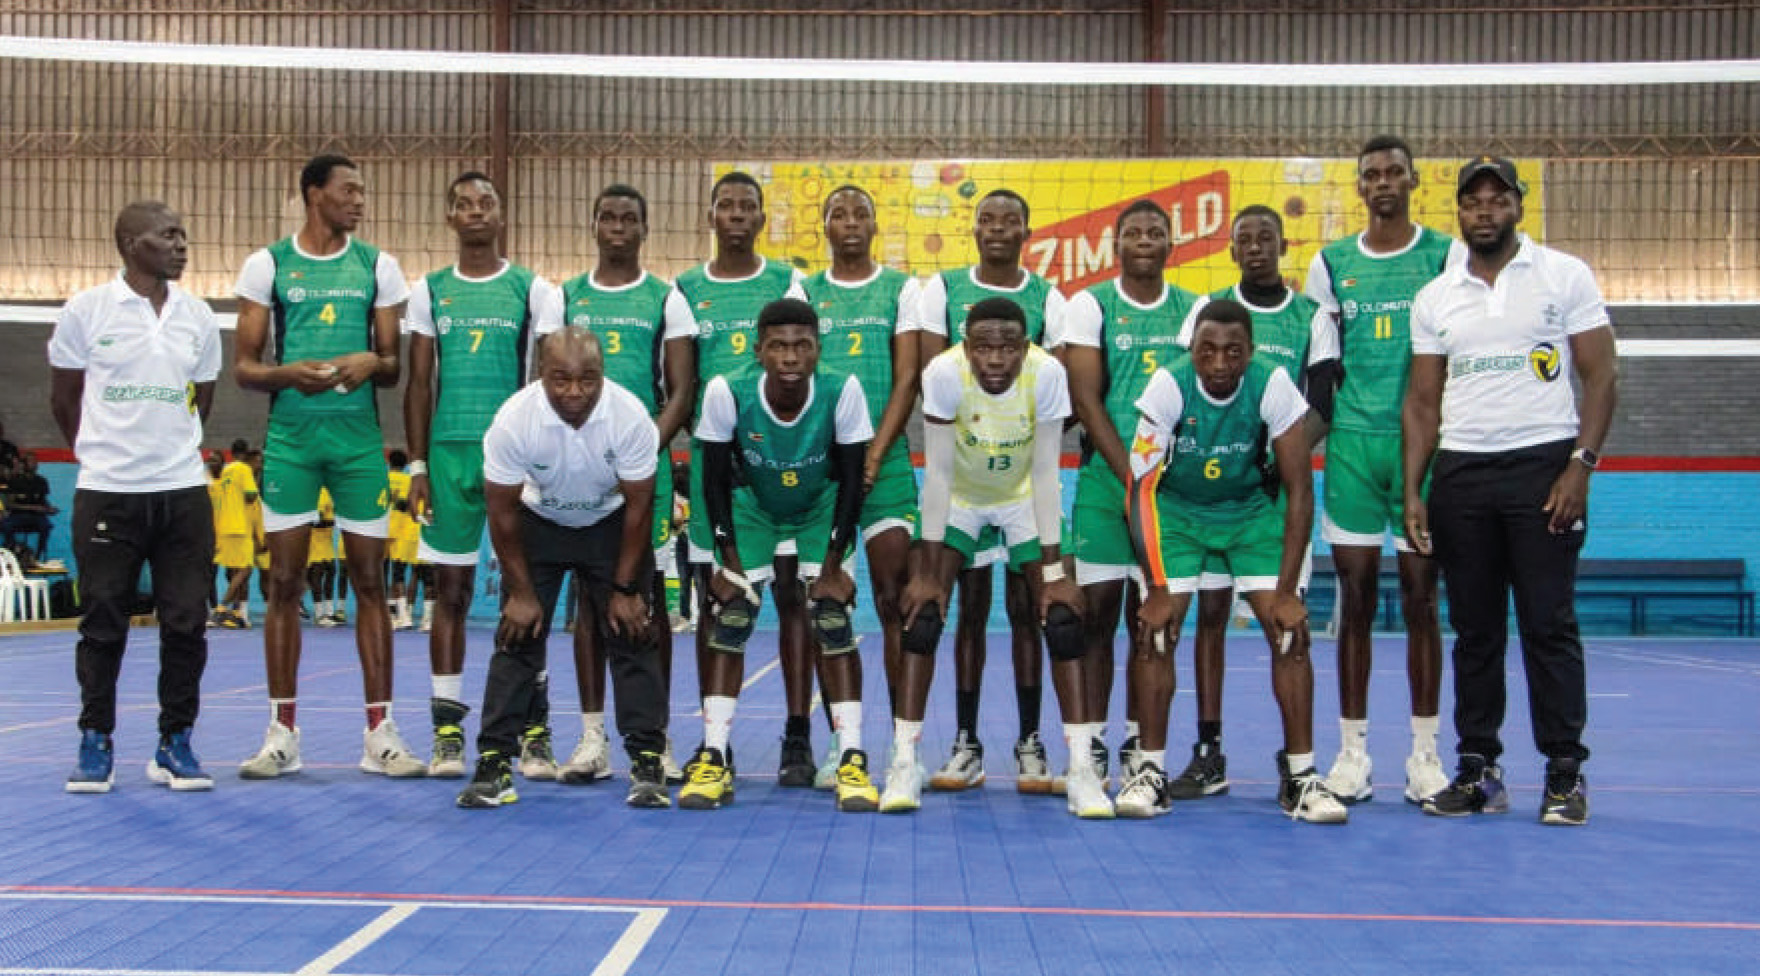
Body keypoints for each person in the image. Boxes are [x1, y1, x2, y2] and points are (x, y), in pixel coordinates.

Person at [1403, 156, 1617, 826]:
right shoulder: (1435, 296)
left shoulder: (1563, 275)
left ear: (1518, 207)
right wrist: (1413, 489)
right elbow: (1421, 402)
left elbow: (1601, 374)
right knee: (1475, 631)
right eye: (1473, 201)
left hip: (1543, 467)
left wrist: (1580, 465)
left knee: (1548, 625)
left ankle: (1564, 774)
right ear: (1459, 212)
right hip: (1462, 472)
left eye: (1498, 199)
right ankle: (1478, 770)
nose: (1485, 210)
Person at [232, 153, 423, 780]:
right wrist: (288, 374)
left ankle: (380, 734)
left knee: (370, 583)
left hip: (358, 444)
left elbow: (392, 367)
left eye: (362, 191)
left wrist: (371, 360)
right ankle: (282, 734)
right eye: (349, 190)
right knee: (284, 584)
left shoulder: (378, 265)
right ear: (314, 194)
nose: (359, 200)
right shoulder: (267, 264)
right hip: (291, 440)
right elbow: (245, 368)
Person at [1121, 299, 1346, 823]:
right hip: (1177, 511)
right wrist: (1157, 588)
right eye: (1207, 351)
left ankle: (1301, 777)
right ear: (1192, 349)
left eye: (1233, 352)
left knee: (1289, 633)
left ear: (1250, 352)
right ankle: (1150, 771)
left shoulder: (1272, 384)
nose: (1219, 363)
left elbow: (1299, 490)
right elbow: (1140, 490)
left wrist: (1287, 593)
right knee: (1156, 631)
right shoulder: (1168, 386)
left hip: (1249, 512)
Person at [888, 297, 1109, 818]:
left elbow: (1047, 473)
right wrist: (928, 573)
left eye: (1008, 348)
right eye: (983, 347)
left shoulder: (1047, 374)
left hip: (1022, 497)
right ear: (966, 347)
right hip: (961, 498)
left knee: (1063, 620)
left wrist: (1053, 574)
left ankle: (1081, 772)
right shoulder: (943, 374)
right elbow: (938, 473)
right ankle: (903, 762)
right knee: (922, 617)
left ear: (1025, 348)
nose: (995, 359)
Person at [1304, 134, 1458, 805]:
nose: (1383, 182)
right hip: (1352, 448)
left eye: (1394, 172)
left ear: (1413, 181)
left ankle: (1425, 754)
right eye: (1372, 174)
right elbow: (1321, 372)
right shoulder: (1331, 263)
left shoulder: (1444, 256)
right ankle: (1353, 753)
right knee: (1355, 600)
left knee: (1422, 599)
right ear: (1360, 186)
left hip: (1422, 449)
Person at [456, 327, 670, 810]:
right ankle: (493, 764)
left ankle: (647, 761)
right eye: (561, 379)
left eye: (587, 379)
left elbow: (640, 506)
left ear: (602, 375)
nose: (575, 391)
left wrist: (625, 589)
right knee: (517, 637)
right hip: (539, 523)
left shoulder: (631, 417)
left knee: (633, 633)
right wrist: (520, 592)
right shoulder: (513, 421)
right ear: (540, 374)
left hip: (611, 523)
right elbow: (501, 511)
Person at [49, 200, 222, 793]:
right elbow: (64, 399)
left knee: (186, 623)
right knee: (102, 622)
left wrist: (169, 451)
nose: (181, 245)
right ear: (130, 244)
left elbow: (201, 399)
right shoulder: (86, 310)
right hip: (108, 492)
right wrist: (103, 455)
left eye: (183, 235)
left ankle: (176, 742)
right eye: (168, 235)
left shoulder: (198, 316)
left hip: (182, 492)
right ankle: (95, 740)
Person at [1164, 204, 1334, 801]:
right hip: (1211, 492)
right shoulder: (1207, 310)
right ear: (1232, 250)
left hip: (1273, 496)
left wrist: (1276, 460)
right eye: (1245, 239)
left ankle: (1298, 766)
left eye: (1266, 237)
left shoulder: (1311, 317)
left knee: (1285, 623)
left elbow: (1323, 403)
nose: (1256, 247)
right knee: (1209, 619)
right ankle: (1209, 752)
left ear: (1284, 245)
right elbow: (1187, 386)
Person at [685, 298, 877, 812]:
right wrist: (728, 560)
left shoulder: (843, 389)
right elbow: (714, 480)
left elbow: (852, 481)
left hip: (819, 506)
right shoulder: (727, 390)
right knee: (730, 617)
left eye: (802, 346)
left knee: (832, 620)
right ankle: (713, 756)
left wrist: (833, 564)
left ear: (818, 349)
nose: (790, 357)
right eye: (778, 346)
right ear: (758, 351)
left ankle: (852, 758)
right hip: (753, 507)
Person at [404, 170, 562, 779]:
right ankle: (447, 733)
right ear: (450, 217)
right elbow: (419, 383)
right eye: (464, 204)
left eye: (486, 202)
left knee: (526, 596)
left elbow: (549, 380)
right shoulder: (430, 290)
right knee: (451, 594)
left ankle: (533, 731)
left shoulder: (533, 290)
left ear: (501, 214)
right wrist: (418, 464)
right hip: (448, 455)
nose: (475, 211)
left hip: (515, 456)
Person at [915, 188, 1068, 794]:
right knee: (969, 613)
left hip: (1025, 482)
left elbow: (1051, 388)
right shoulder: (942, 290)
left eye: (1010, 220)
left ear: (1027, 231)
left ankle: (1031, 742)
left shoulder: (1050, 298)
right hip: (967, 481)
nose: (998, 228)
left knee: (1032, 613)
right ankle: (966, 743)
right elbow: (944, 381)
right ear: (974, 229)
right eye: (987, 219)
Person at [660, 171, 809, 786]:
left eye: (749, 206)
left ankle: (797, 737)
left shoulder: (787, 281)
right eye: (728, 205)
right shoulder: (685, 290)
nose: (738, 215)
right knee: (720, 601)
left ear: (761, 219)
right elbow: (681, 386)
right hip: (717, 465)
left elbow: (804, 363)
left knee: (793, 597)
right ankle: (713, 740)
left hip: (784, 459)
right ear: (712, 216)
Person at [554, 183, 693, 786]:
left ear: (644, 229)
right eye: (607, 217)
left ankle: (654, 737)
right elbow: (544, 382)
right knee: (590, 603)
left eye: (628, 218)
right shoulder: (565, 297)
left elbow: (681, 391)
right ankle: (592, 737)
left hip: (642, 474)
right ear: (593, 226)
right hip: (579, 474)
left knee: (649, 605)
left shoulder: (667, 299)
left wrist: (640, 453)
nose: (617, 226)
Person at [1062, 199, 1200, 791]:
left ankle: (1142, 744)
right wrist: (1129, 477)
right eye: (1133, 232)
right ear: (1115, 244)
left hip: (1169, 491)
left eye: (1155, 231)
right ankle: (1091, 741)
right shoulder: (1091, 304)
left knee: (1153, 625)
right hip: (1106, 481)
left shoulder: (1194, 309)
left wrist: (1154, 482)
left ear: (1171, 243)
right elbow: (1085, 400)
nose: (1144, 239)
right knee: (1095, 619)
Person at [800, 184, 922, 787]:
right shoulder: (804, 291)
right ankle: (841, 743)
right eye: (838, 214)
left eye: (860, 214)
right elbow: (796, 369)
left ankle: (903, 746)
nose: (850, 222)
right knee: (828, 606)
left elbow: (907, 378)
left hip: (886, 463)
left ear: (876, 225)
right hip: (824, 468)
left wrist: (872, 453)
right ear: (824, 227)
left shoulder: (902, 289)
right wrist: (843, 459)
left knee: (897, 601)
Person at [210, 439, 258, 629]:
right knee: (246, 569)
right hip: (240, 526)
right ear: (245, 453)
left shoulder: (226, 471)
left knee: (236, 572)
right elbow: (251, 495)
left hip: (225, 526)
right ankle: (221, 609)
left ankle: (237, 613)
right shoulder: (244, 469)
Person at [384, 449, 419, 631]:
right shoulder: (409, 481)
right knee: (398, 573)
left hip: (382, 529)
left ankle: (388, 614)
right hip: (402, 531)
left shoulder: (381, 480)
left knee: (382, 573)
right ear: (405, 465)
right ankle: (403, 615)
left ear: (389, 462)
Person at [4, 452, 58, 559]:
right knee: (6, 526)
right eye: (31, 461)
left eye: (36, 461)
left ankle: (38, 556)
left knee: (46, 526)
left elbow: (43, 501)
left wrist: (49, 509)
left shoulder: (41, 481)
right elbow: (9, 505)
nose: (35, 463)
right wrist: (32, 507)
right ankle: (12, 552)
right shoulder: (15, 481)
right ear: (24, 464)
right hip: (18, 515)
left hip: (36, 516)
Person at [306, 487, 342, 626]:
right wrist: (334, 522)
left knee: (331, 573)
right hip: (315, 542)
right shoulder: (320, 493)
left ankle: (329, 612)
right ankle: (319, 614)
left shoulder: (330, 492)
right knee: (316, 576)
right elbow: (315, 521)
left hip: (327, 541)